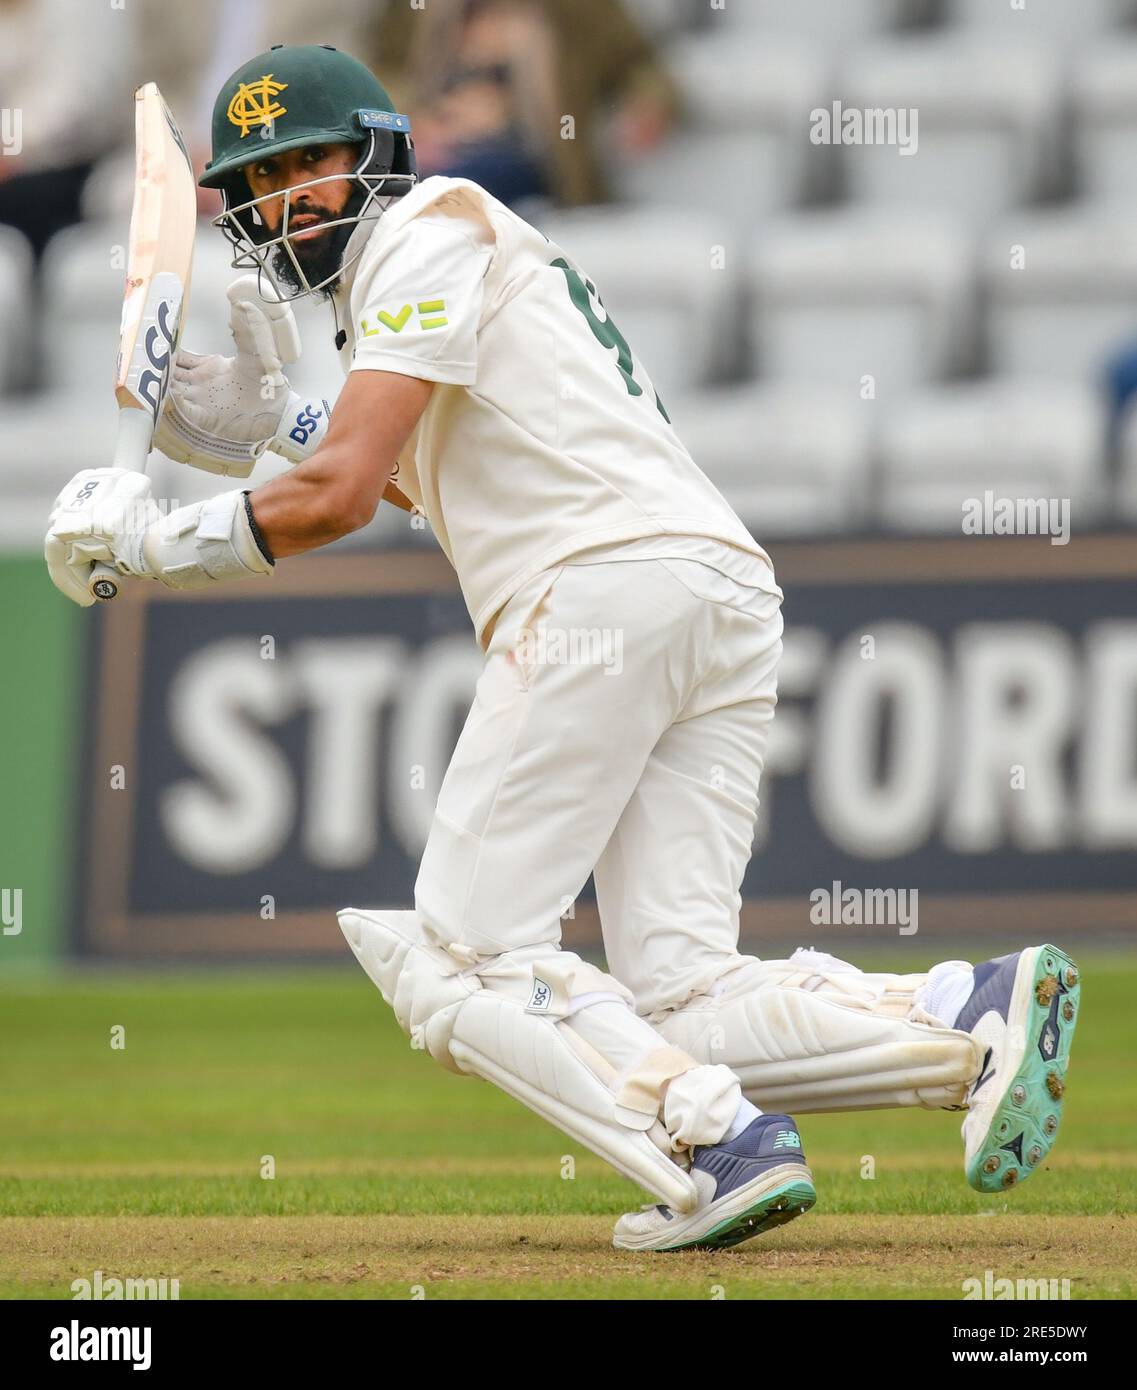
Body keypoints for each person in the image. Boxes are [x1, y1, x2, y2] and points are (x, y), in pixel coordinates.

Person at [43, 45, 1081, 1249]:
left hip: (604, 592)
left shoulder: (429, 225)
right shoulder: (414, 276)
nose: (290, 198)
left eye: (313, 162)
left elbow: (337, 497)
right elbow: (431, 479)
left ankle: (710, 1141)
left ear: (376, 154)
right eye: (264, 179)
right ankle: (969, 1014)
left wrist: (153, 547)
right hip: (709, 588)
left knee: (462, 957)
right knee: (676, 991)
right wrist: (285, 418)